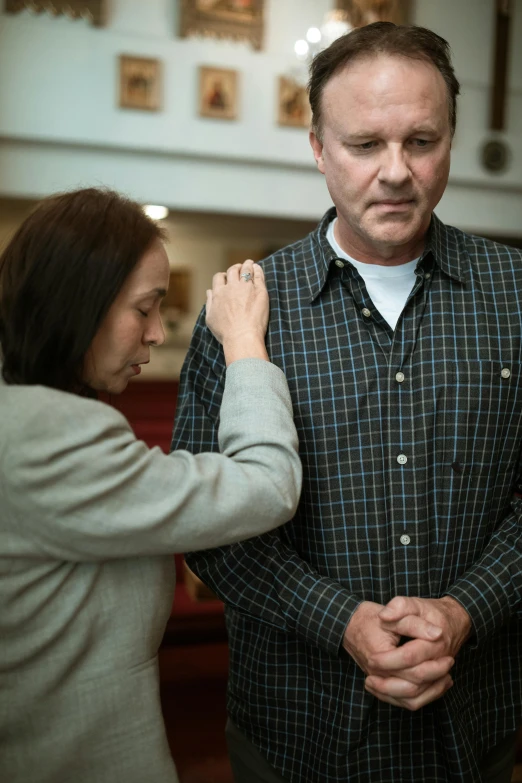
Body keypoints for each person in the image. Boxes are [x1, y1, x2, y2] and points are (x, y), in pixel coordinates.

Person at [172, 22, 522, 783]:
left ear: (452, 138)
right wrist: (343, 622)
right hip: (297, 728)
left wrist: (465, 611)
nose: (396, 172)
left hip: (477, 728)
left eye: (421, 141)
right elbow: (208, 524)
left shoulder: (516, 295)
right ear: (319, 148)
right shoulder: (242, 310)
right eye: (365, 145)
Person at [0, 187, 302, 783]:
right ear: (78, 303)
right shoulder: (44, 434)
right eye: (145, 308)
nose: (158, 333)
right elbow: (267, 484)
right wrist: (244, 343)